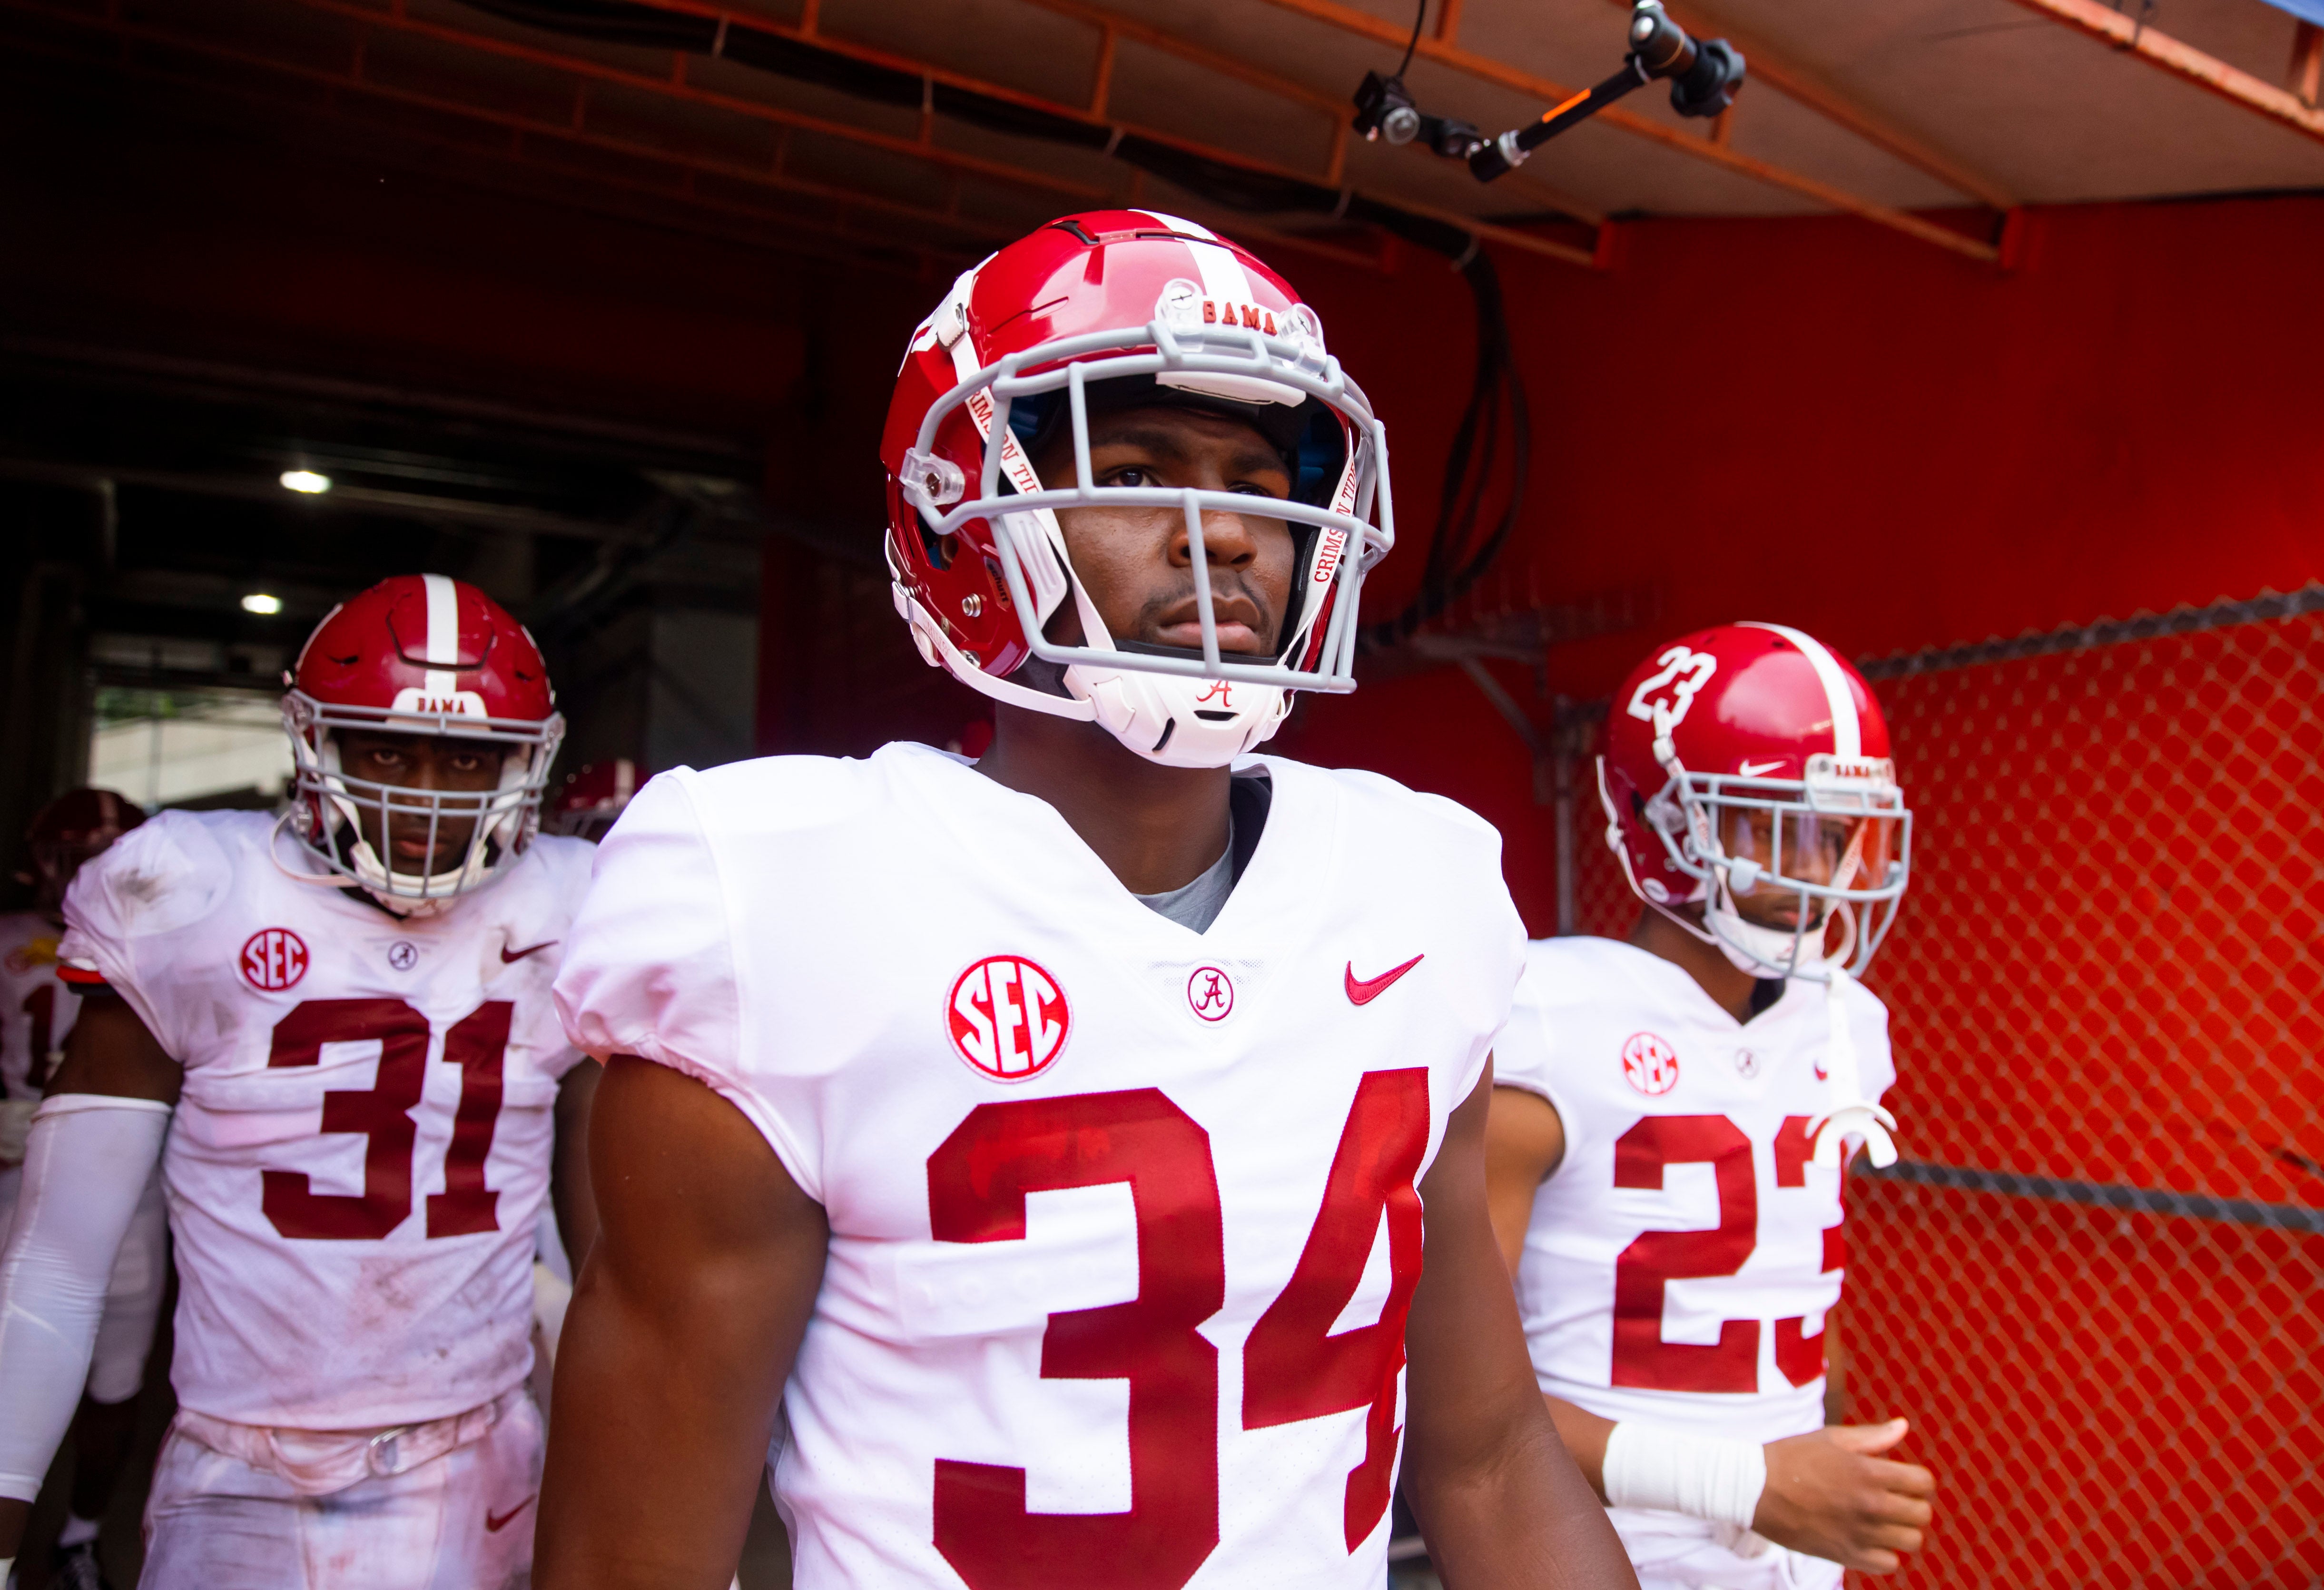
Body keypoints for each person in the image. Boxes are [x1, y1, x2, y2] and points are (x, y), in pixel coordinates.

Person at [541, 212, 1638, 1589]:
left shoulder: (1414, 889)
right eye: (1133, 469)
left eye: (1257, 477)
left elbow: (1482, 1452)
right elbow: (630, 1561)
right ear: (960, 517)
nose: (1227, 529)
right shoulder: (785, 900)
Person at [0, 575, 601, 1590]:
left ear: (524, 764)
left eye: (466, 757)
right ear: (314, 745)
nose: (425, 791)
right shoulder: (190, 894)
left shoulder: (575, 901)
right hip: (239, 1463)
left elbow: (607, 1270)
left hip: (480, 1454)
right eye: (383, 748)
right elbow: (60, 1262)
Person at [1484, 623, 1937, 1589]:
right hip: (1598, 1552)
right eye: (1769, 823)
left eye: (1835, 831)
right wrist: (1743, 1481)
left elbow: (1795, 1286)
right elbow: (1453, 1393)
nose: (1810, 870)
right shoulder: (1544, 1022)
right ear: (1660, 819)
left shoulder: (1844, 1024)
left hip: (1785, 1553)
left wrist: (1811, 1453)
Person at [1, 790, 163, 1590]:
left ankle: (78, 1536)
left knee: (113, 1377)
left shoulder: (179, 946)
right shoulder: (178, 947)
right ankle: (77, 1540)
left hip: (106, 1188)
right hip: (58, 1185)